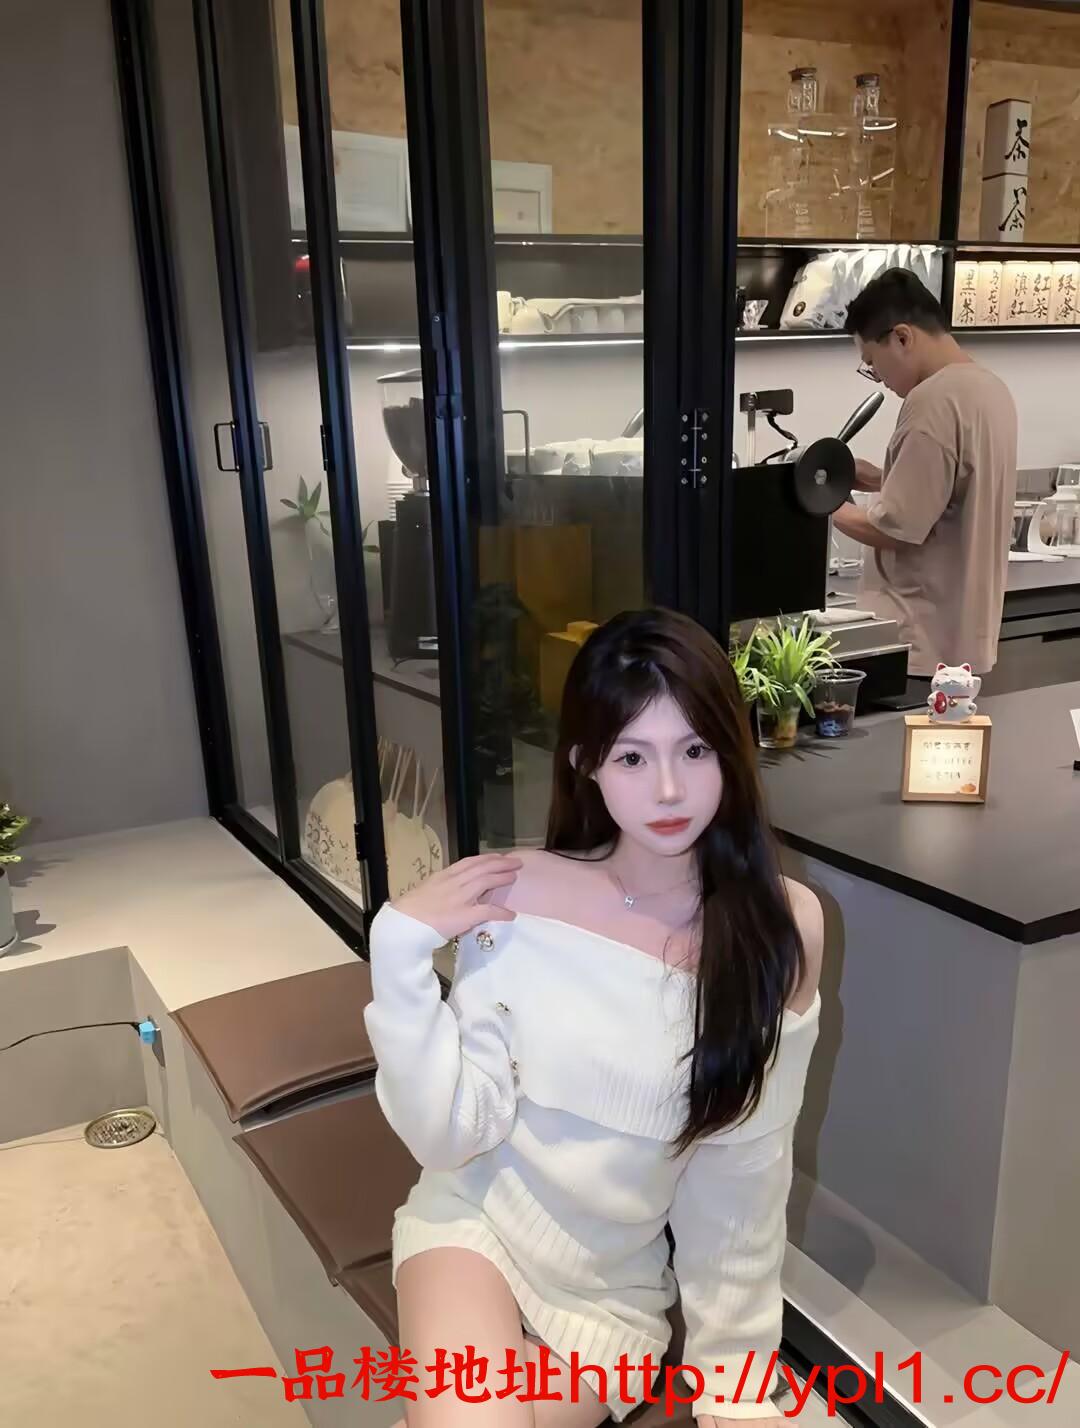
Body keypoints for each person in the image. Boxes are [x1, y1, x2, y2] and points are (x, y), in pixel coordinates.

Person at [363, 607, 824, 1426]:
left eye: (695, 750)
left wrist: (735, 1382)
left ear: (732, 749)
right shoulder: (515, 894)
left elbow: (744, 1180)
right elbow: (449, 1137)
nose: (669, 789)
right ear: (587, 763)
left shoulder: (779, 931)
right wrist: (396, 949)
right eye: (632, 757)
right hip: (476, 1228)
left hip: (612, 1296)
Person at [832, 268, 1018, 690]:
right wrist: (882, 478)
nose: (878, 378)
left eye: (872, 362)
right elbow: (951, 489)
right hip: (963, 642)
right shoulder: (991, 389)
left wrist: (821, 498)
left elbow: (894, 528)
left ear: (902, 337)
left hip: (917, 644)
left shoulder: (931, 399)